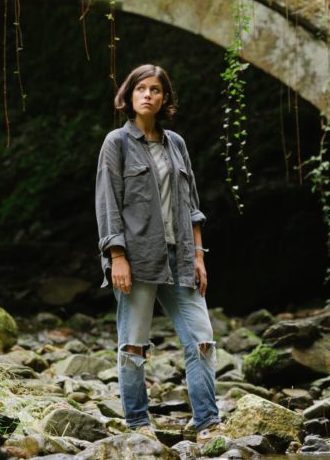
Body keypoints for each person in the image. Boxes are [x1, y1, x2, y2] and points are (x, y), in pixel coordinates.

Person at [94, 63, 222, 442]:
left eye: (155, 89)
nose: (148, 95)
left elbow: (192, 204)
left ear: (165, 98)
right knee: (133, 346)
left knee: (202, 340)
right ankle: (139, 425)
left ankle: (207, 423)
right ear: (129, 95)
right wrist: (117, 256)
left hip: (180, 258)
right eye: (141, 89)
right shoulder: (116, 143)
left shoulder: (176, 144)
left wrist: (198, 255)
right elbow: (108, 204)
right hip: (136, 259)